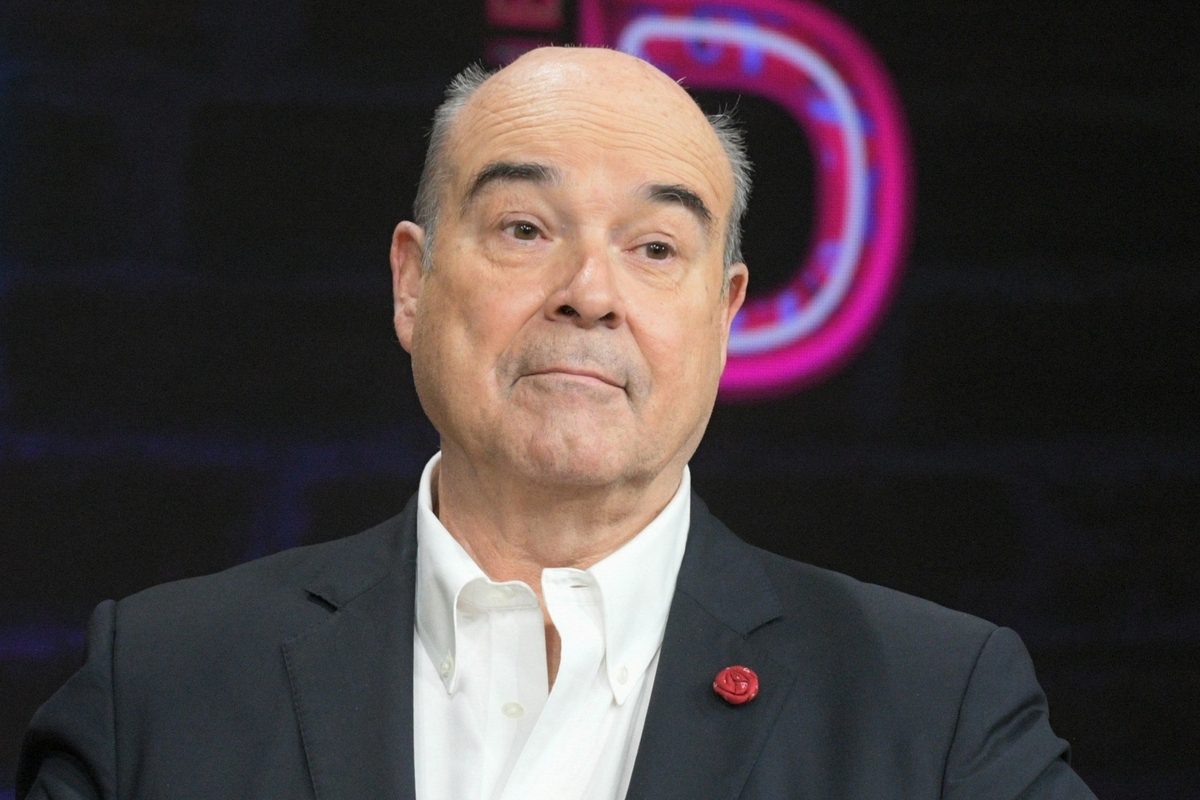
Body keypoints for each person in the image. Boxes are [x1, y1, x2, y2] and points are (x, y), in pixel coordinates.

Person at [18, 47, 1095, 799]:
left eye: (655, 248)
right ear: (412, 281)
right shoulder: (161, 684)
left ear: (724, 318)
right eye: (526, 228)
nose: (589, 293)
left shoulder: (934, 707)